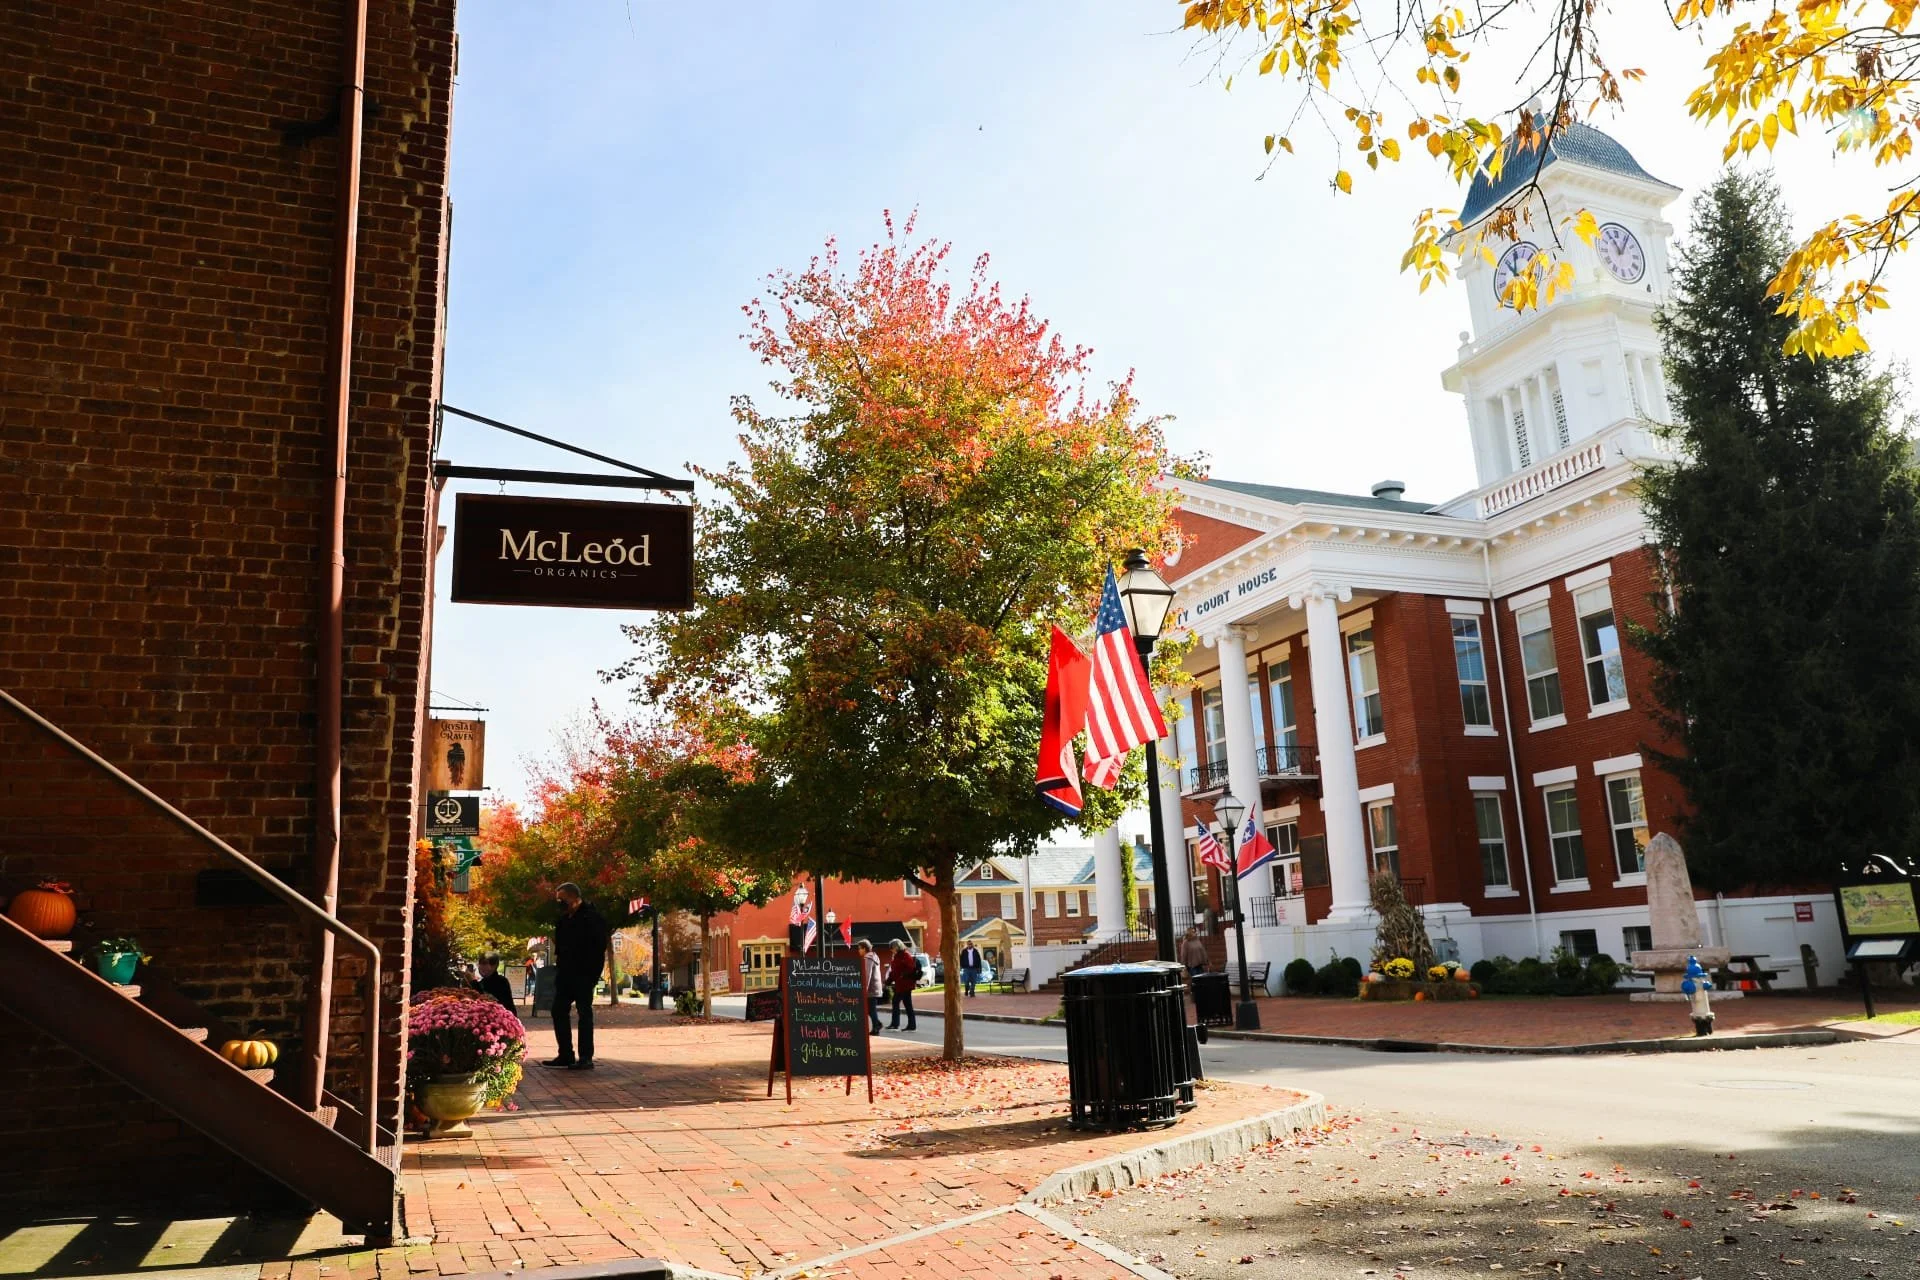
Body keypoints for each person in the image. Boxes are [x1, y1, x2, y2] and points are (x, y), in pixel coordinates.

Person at [546, 882, 609, 1071]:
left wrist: (591, 976)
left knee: (584, 1014)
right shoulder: (563, 920)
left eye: (562, 899)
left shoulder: (592, 918)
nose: (559, 904)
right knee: (558, 1011)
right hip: (565, 975)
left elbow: (599, 949)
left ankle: (585, 1057)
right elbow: (560, 950)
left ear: (573, 898)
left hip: (584, 975)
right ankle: (565, 1054)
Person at [886, 941, 919, 1032]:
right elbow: (894, 971)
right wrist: (889, 981)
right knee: (900, 1003)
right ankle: (898, 1024)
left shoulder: (905, 956)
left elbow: (911, 969)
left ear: (896, 947)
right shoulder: (897, 957)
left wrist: (902, 975)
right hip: (900, 984)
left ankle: (902, 1024)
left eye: (892, 948)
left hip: (906, 984)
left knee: (903, 1003)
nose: (891, 950)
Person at [857, 939, 884, 1035]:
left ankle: (876, 1026)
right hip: (875, 987)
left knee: (870, 1009)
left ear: (864, 949)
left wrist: (864, 988)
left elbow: (866, 974)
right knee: (870, 1009)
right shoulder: (874, 957)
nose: (858, 951)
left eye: (860, 948)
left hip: (871, 989)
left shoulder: (868, 958)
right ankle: (877, 1024)